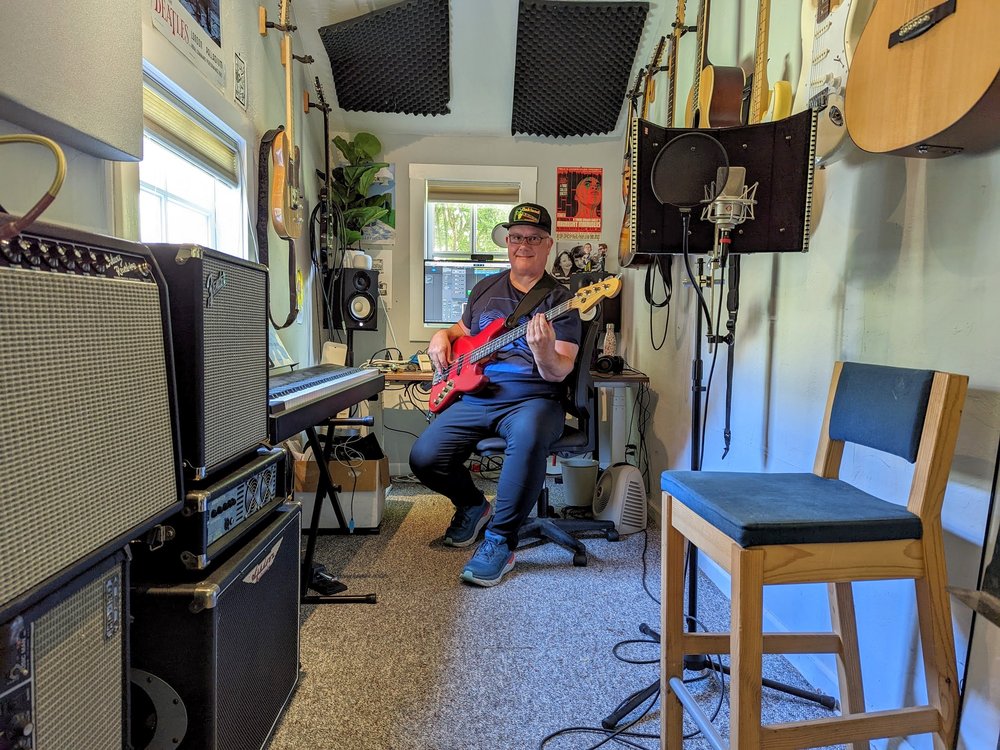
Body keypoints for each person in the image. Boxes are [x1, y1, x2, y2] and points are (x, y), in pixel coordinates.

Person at [409, 203, 581, 587]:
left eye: (534, 238)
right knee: (424, 457)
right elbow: (460, 331)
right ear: (507, 241)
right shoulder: (485, 287)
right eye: (516, 237)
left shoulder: (562, 301)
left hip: (533, 399)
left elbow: (559, 370)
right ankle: (473, 507)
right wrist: (440, 336)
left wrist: (542, 351)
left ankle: (500, 541)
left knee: (529, 436)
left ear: (548, 244)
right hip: (478, 395)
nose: (523, 245)